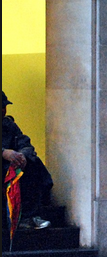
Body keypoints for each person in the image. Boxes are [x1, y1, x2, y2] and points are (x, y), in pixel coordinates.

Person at [2, 91, 53, 236]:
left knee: (33, 163)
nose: (3, 110)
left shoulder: (8, 124)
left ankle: (29, 217)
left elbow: (25, 143)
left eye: (4, 107)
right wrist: (4, 152)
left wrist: (22, 156)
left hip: (12, 167)